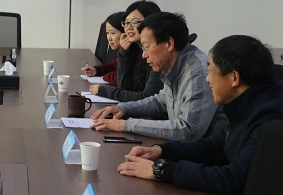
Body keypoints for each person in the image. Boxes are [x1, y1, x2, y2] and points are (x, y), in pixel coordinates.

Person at [116, 35, 283, 195]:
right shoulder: (252, 99)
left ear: (234, 78)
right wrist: (162, 151)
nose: (207, 79)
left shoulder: (272, 117)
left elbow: (233, 180)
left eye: (211, 71)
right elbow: (217, 146)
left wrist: (162, 170)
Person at [91, 12, 227, 140]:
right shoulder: (175, 63)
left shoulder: (197, 72)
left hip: (205, 154)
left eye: (146, 47)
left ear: (169, 44)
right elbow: (160, 102)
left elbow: (188, 129)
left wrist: (127, 125)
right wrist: (123, 108)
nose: (144, 55)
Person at [94, 1, 164, 101]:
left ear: (152, 22)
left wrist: (105, 91)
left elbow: (146, 98)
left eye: (135, 22)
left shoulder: (158, 52)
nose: (129, 27)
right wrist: (124, 53)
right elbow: (124, 88)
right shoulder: (136, 50)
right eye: (126, 23)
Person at [81, 11, 125, 86]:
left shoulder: (132, 53)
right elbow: (113, 65)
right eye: (107, 33)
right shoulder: (123, 51)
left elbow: (122, 78)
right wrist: (96, 70)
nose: (109, 38)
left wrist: (105, 77)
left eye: (113, 33)